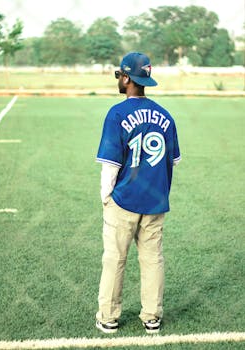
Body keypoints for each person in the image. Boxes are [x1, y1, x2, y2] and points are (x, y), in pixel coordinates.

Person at [95, 52, 181, 334]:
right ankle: (152, 316)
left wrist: (106, 197)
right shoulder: (166, 116)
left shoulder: (117, 113)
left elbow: (110, 165)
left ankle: (108, 316)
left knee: (115, 259)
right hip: (155, 201)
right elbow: (173, 161)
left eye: (119, 74)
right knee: (153, 259)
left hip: (124, 200)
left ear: (128, 77)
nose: (118, 79)